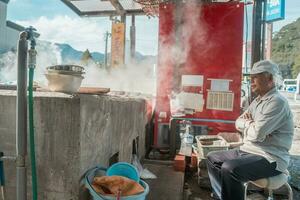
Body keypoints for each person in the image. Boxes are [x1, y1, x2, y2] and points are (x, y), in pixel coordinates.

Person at [206, 60, 294, 200]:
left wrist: (247, 124)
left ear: (269, 78)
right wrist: (250, 123)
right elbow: (237, 122)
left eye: (256, 77)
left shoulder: (277, 102)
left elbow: (257, 134)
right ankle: (221, 196)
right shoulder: (258, 101)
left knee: (230, 168)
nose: (251, 81)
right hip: (248, 150)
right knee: (212, 158)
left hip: (270, 157)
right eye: (251, 78)